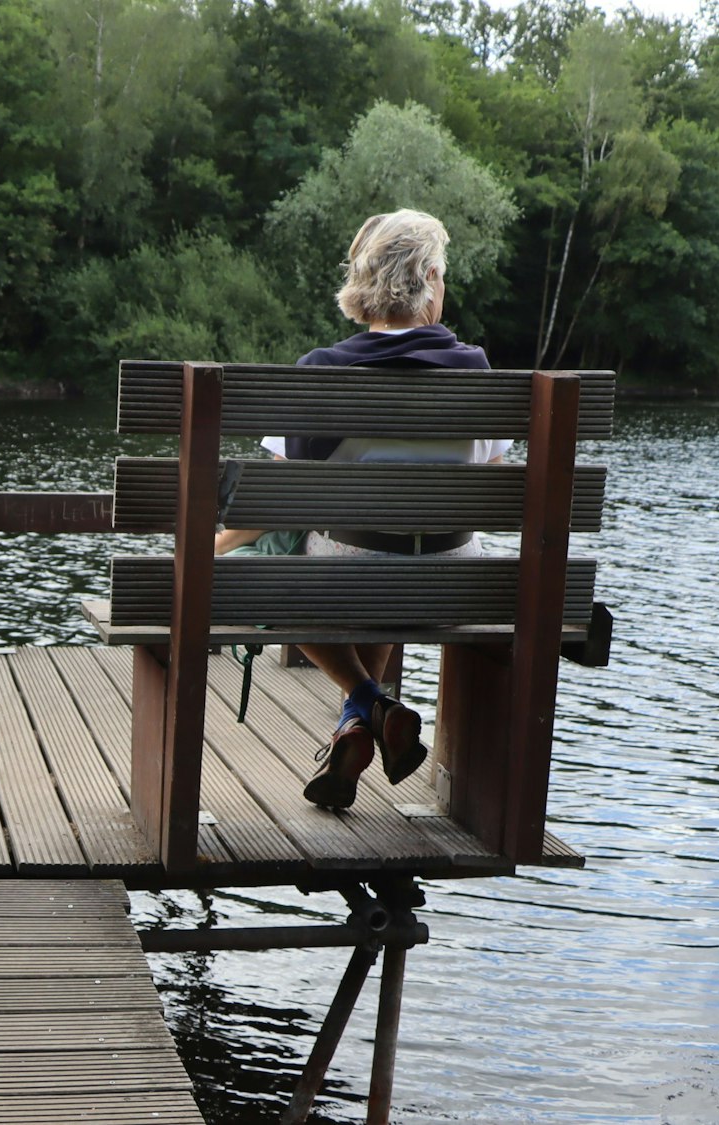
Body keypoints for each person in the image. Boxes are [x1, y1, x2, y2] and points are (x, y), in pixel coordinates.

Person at [215, 209, 509, 811]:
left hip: (350, 582)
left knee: (284, 564)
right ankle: (358, 719)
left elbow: (278, 500)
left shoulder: (323, 372)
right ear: (429, 277)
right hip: (457, 587)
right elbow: (496, 484)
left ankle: (367, 703)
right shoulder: (477, 371)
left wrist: (213, 548)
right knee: (369, 559)